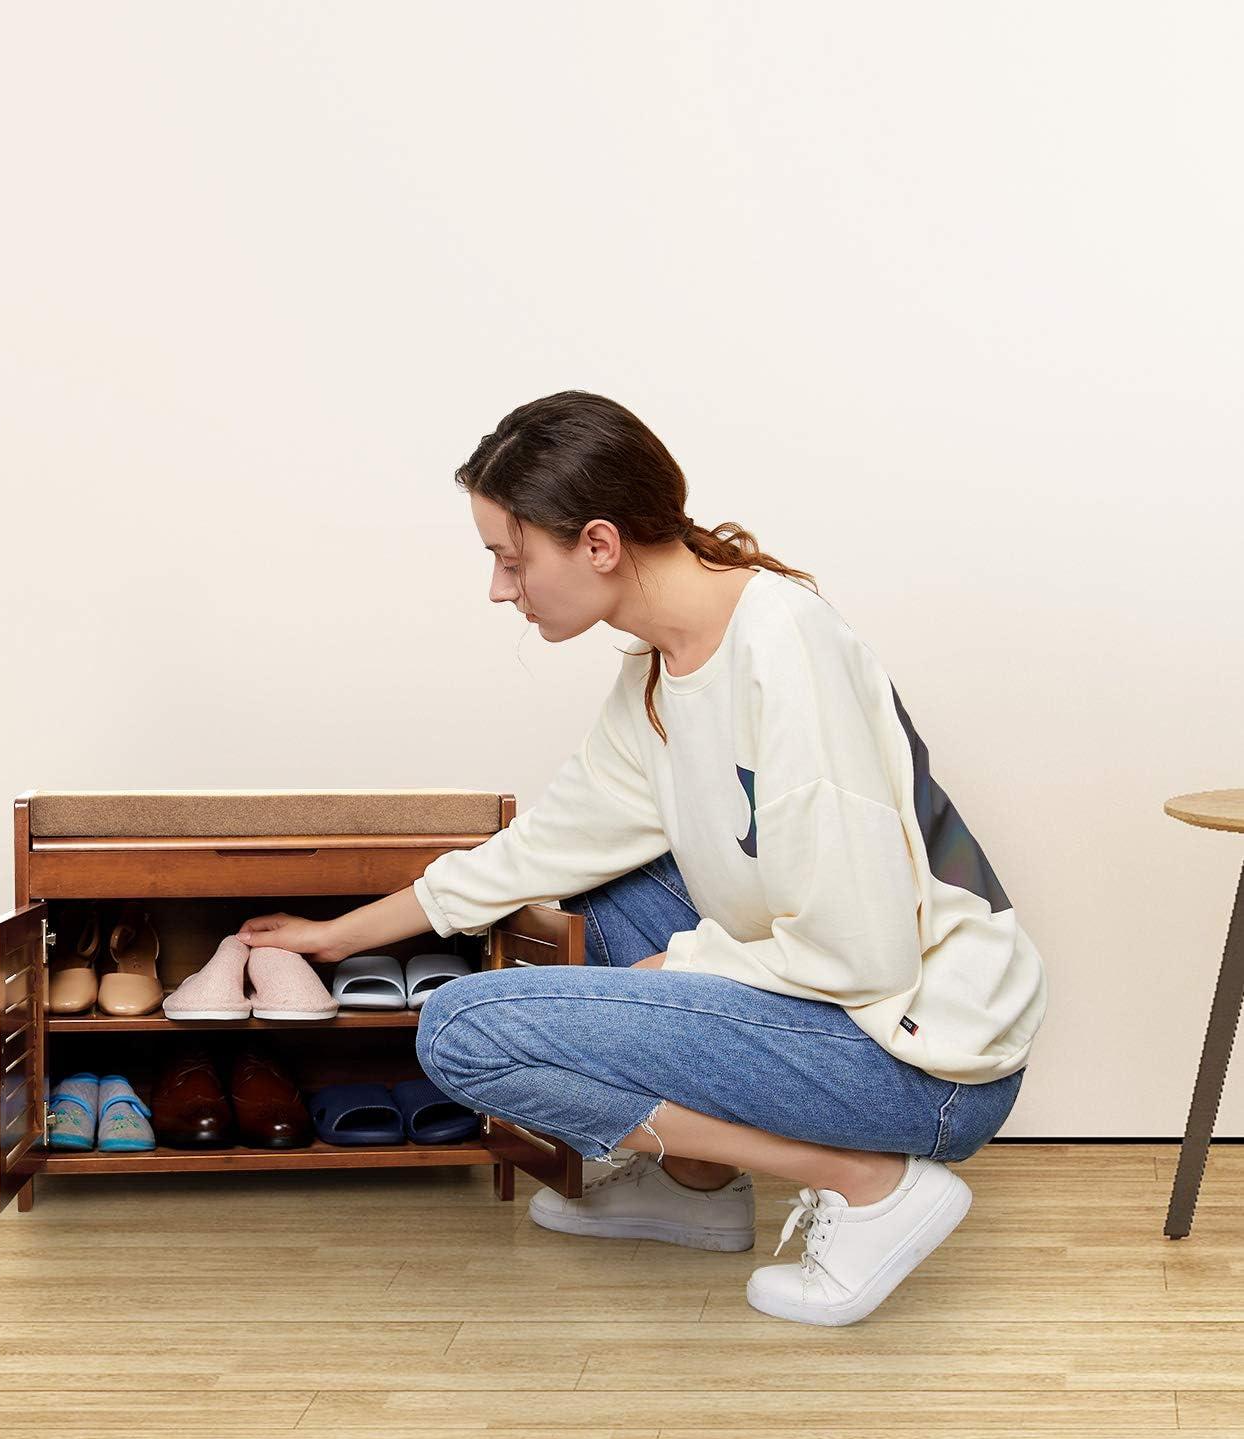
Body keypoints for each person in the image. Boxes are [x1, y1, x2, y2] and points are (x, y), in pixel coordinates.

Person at [236, 389, 1047, 1327]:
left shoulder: (784, 650)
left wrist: (686, 965)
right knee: (607, 878)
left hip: (927, 1062)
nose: (500, 588)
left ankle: (869, 1184)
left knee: (463, 1033)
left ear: (598, 543)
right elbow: (546, 849)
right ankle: (694, 1186)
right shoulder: (661, 668)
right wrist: (338, 936)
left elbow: (864, 953)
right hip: (854, 1015)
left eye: (511, 557)